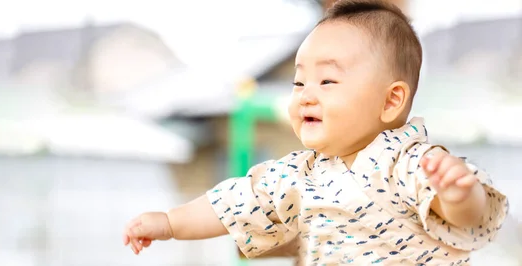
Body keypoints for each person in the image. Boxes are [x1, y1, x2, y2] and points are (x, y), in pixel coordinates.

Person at [122, 0, 509, 264]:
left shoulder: (407, 163)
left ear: (390, 102)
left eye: (326, 82)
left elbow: (466, 218)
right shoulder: (301, 172)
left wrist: (458, 193)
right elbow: (231, 203)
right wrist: (170, 223)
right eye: (298, 83)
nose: (306, 96)